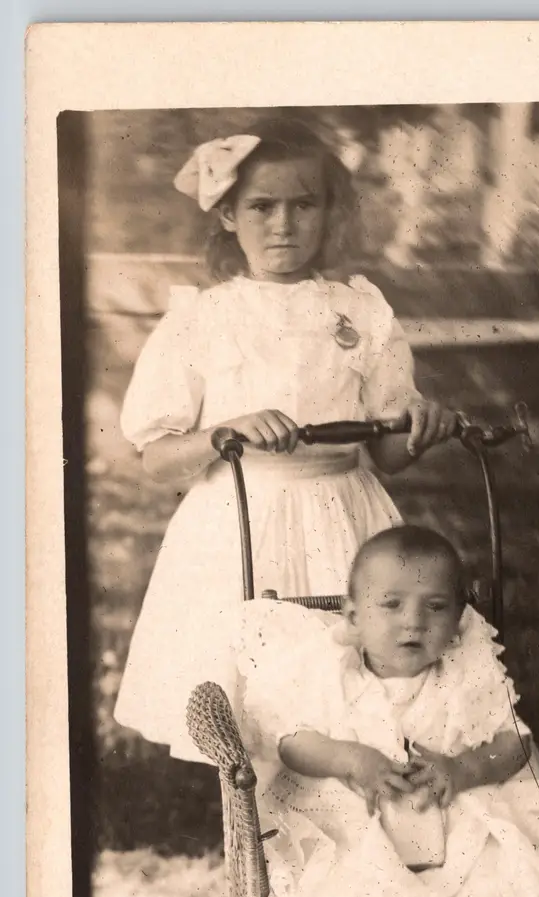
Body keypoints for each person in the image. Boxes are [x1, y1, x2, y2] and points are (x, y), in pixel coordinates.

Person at [113, 118, 459, 762]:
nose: (283, 224)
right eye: (262, 207)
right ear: (227, 216)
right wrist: (223, 432)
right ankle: (255, 836)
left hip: (346, 516)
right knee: (253, 700)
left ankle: (345, 837)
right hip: (239, 520)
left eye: (304, 205)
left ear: (330, 214)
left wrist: (419, 430)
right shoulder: (205, 318)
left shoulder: (359, 310)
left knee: (349, 691)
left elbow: (385, 450)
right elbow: (156, 458)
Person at [235, 526, 539, 897]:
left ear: (458, 617)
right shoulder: (331, 674)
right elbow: (292, 744)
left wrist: (463, 768)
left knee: (489, 879)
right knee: (356, 888)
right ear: (353, 616)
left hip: (457, 812)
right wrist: (350, 758)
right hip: (359, 819)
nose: (414, 623)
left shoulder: (463, 673)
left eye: (436, 607)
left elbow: (515, 743)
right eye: (391, 605)